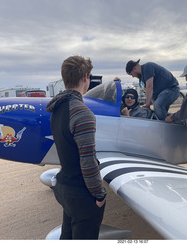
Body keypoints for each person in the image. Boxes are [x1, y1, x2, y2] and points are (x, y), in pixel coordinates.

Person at [46, 55, 107, 239]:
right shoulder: (82, 113)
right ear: (86, 77)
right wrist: (100, 195)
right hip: (82, 195)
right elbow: (87, 162)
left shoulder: (56, 109)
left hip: (65, 187)